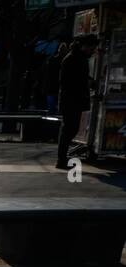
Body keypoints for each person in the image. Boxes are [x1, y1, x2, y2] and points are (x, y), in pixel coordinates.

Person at [56, 36, 96, 170]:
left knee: (70, 129)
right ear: (84, 46)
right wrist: (88, 83)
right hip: (72, 99)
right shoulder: (74, 59)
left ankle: (62, 158)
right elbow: (73, 80)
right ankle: (61, 159)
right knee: (69, 129)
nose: (93, 51)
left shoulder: (76, 58)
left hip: (73, 99)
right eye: (91, 48)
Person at [44, 43, 67, 113]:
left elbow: (48, 74)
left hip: (52, 86)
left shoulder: (52, 60)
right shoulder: (64, 61)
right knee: (56, 107)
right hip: (57, 86)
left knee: (52, 107)